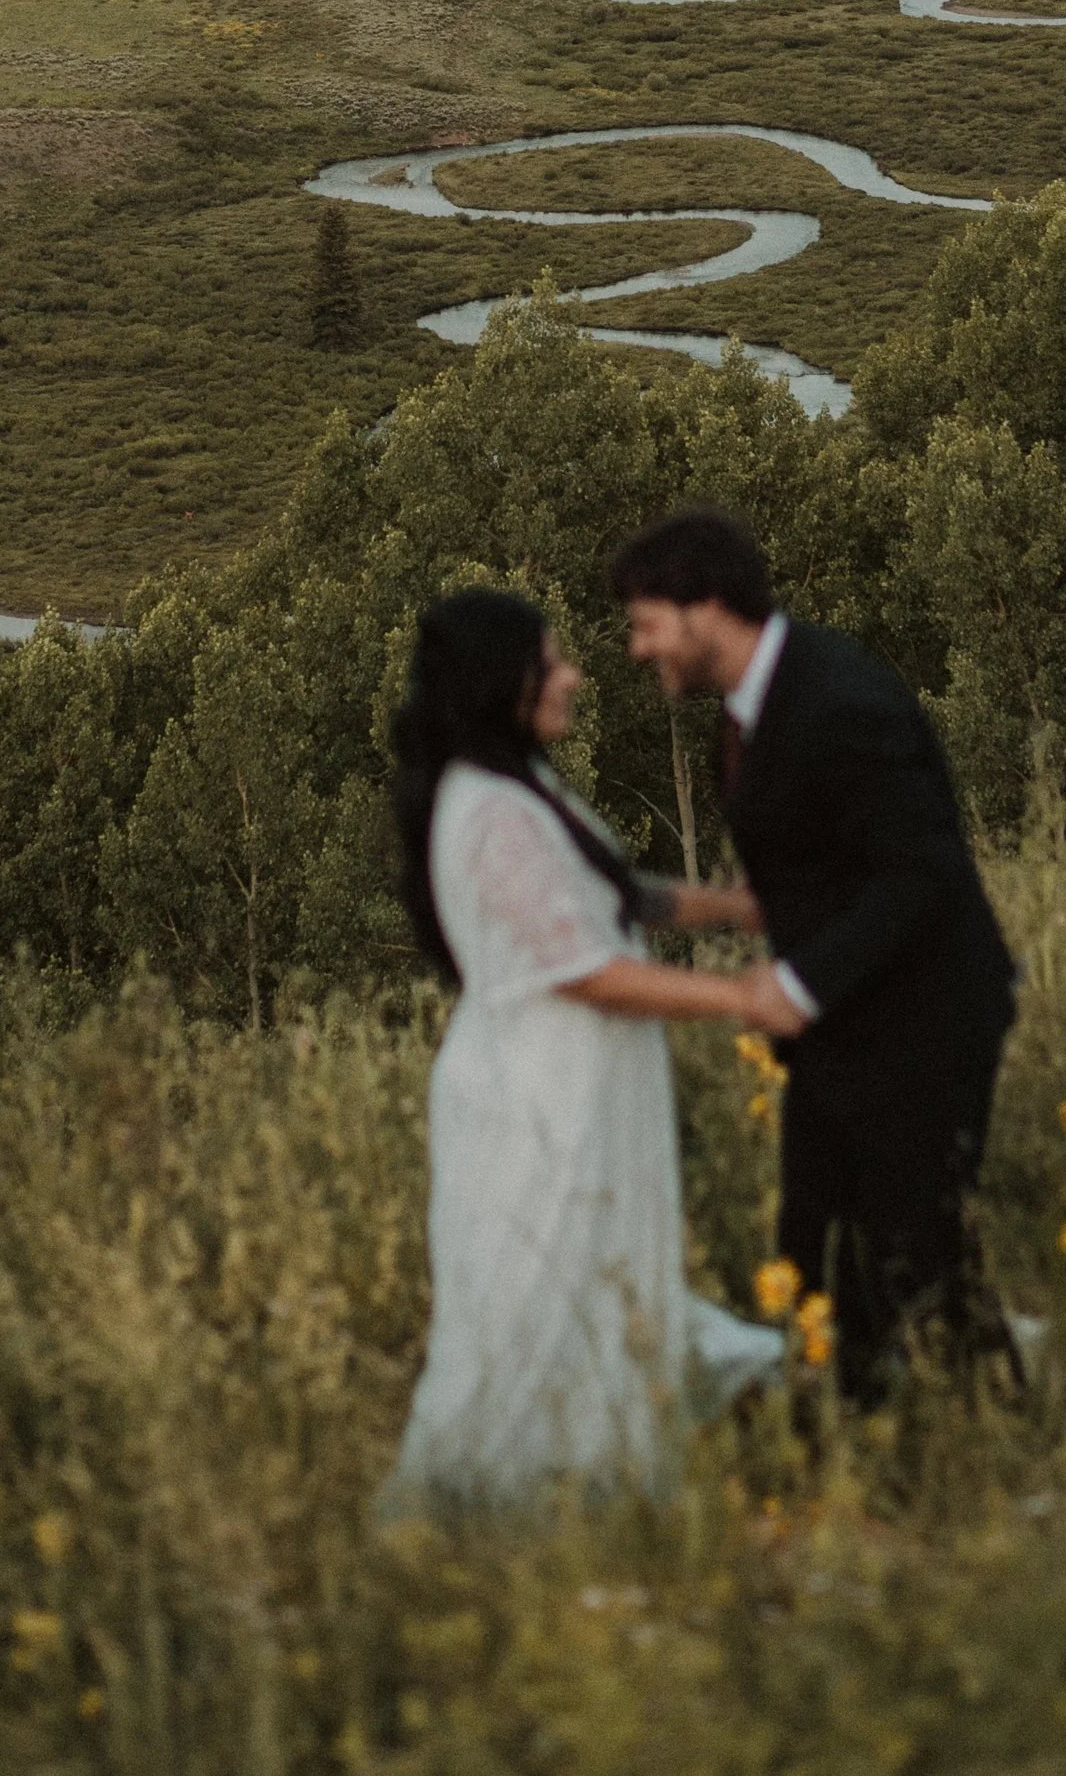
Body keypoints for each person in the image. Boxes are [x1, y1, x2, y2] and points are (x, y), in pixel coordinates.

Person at [383, 588, 787, 1509]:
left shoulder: (521, 786)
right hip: (536, 1101)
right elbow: (585, 965)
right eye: (552, 662)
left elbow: (607, 896)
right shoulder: (489, 811)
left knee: (593, 1281)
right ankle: (512, 1510)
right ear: (504, 683)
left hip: (571, 1090)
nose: (573, 675)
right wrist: (740, 997)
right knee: (537, 1294)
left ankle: (598, 1489)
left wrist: (728, 908)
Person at [609, 503, 1017, 1404]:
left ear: (707, 604)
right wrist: (692, 910)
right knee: (815, 1254)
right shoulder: (756, 707)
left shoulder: (839, 699)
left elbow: (923, 871)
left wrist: (795, 982)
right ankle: (855, 1443)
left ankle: (994, 1438)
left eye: (646, 625)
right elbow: (826, 871)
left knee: (917, 1250)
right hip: (845, 1028)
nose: (639, 649)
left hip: (923, 1019)